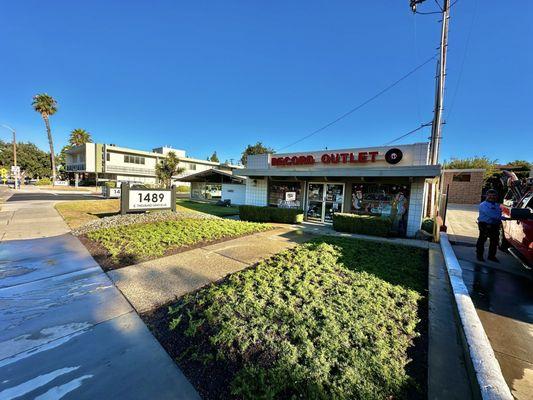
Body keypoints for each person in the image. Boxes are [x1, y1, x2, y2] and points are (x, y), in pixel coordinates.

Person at [476, 189, 503, 262]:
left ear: (496, 196)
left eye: (494, 195)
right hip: (484, 225)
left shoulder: (497, 205)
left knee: (494, 241)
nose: (492, 197)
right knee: (482, 240)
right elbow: (492, 215)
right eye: (490, 195)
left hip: (495, 225)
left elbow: (499, 214)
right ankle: (479, 256)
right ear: (486, 196)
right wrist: (504, 218)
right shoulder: (483, 205)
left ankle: (491, 256)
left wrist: (500, 218)